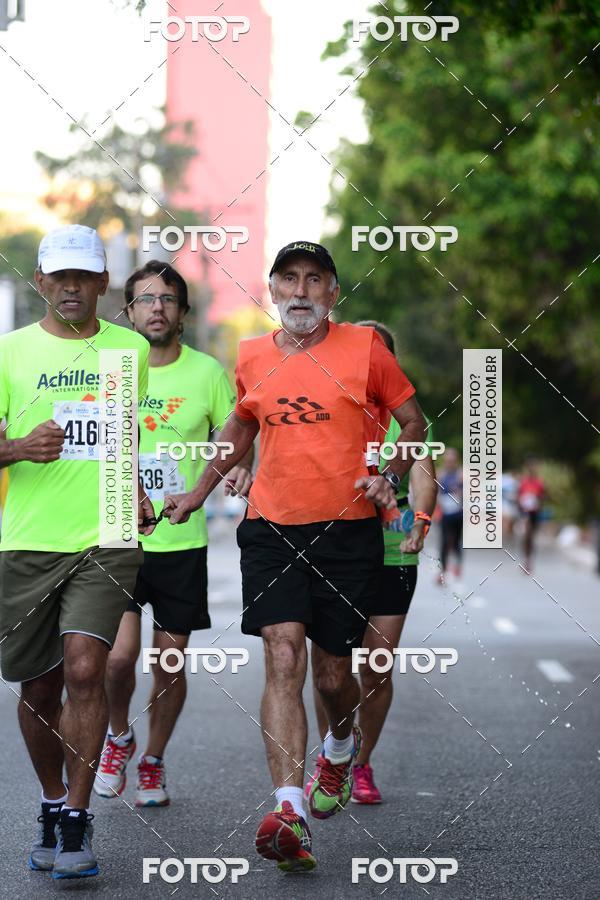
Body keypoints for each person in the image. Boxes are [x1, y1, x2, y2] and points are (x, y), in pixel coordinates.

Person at [162, 241, 427, 872]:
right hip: (271, 526)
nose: (301, 290)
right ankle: (289, 810)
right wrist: (198, 494)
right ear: (274, 289)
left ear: (333, 293)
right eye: (289, 279)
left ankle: (339, 746)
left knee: (334, 676)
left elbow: (414, 422)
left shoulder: (366, 349)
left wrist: (389, 471)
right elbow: (242, 428)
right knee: (283, 653)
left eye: (315, 279)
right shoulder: (251, 354)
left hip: (349, 532)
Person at [0, 225, 154, 879]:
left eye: (82, 276)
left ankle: (77, 823)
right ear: (40, 281)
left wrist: (139, 488)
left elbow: (122, 437)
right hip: (29, 537)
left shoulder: (130, 351)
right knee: (38, 687)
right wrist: (17, 449)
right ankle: (51, 800)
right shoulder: (9, 353)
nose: (70, 286)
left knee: (87, 669)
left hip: (108, 531)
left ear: (102, 284)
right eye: (58, 276)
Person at [93, 260, 253, 807]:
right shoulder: (111, 366)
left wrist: (237, 467)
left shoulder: (207, 373)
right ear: (130, 310)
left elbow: (234, 436)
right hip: (117, 534)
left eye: (167, 298)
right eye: (144, 298)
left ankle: (154, 760)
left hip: (180, 538)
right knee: (116, 659)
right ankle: (118, 736)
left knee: (169, 661)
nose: (156, 307)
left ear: (182, 312)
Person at [308, 320, 437, 804]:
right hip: (335, 550)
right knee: (332, 669)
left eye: (374, 353)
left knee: (376, 668)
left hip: (391, 551)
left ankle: (360, 765)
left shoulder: (408, 418)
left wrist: (420, 519)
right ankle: (331, 760)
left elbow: (423, 477)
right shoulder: (330, 407)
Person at [437, 447, 463, 583]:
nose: (449, 463)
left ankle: (457, 566)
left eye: (452, 461)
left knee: (457, 541)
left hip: (458, 514)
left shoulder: (462, 474)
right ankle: (443, 571)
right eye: (447, 461)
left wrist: (460, 494)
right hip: (445, 514)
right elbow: (435, 492)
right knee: (444, 542)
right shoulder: (441, 474)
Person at [517, 457, 545, 573]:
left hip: (535, 512)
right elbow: (518, 496)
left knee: (532, 537)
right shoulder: (523, 482)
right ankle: (526, 560)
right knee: (527, 535)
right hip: (525, 512)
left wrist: (538, 503)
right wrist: (521, 503)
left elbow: (543, 497)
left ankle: (529, 559)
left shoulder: (540, 482)